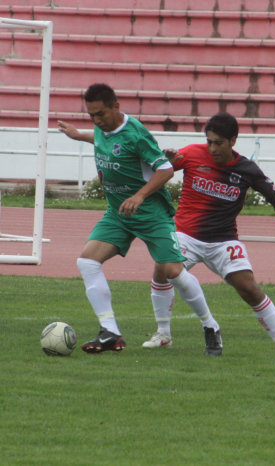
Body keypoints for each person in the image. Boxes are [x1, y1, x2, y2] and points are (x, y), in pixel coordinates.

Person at [57, 83, 222, 356]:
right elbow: (103, 139)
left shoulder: (136, 134)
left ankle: (210, 325)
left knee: (172, 272)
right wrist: (80, 135)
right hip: (119, 213)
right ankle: (110, 331)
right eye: (91, 116)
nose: (96, 120)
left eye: (100, 114)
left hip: (150, 212)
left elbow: (166, 169)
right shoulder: (102, 128)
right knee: (87, 260)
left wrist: (140, 196)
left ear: (116, 107)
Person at [143, 111, 275, 356]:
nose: (213, 148)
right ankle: (163, 334)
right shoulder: (192, 154)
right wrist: (163, 161)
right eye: (209, 142)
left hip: (223, 240)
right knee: (163, 269)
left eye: (219, 143)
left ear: (233, 141)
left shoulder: (247, 169)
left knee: (248, 288)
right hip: (185, 234)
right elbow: (153, 175)